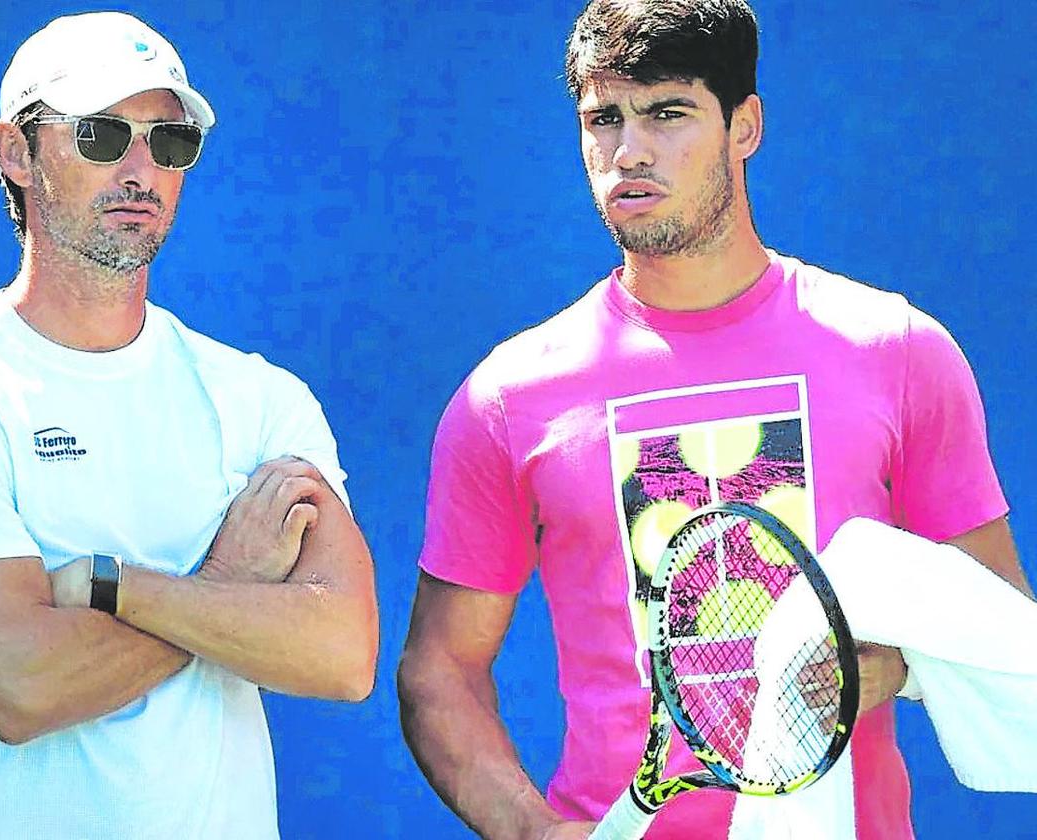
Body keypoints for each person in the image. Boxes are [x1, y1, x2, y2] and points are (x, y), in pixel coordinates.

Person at [396, 1, 1031, 838]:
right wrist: (532, 830)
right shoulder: (509, 397)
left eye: (668, 113)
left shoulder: (900, 352)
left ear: (745, 126)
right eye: (603, 119)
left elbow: (1000, 626)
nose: (628, 151)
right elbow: (439, 669)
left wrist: (895, 669)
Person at [0, 11, 377, 840]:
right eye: (99, 135)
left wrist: (104, 587)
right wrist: (232, 583)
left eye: (169, 143)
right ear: (17, 153)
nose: (140, 169)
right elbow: (19, 692)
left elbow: (344, 655)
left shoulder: (258, 396)